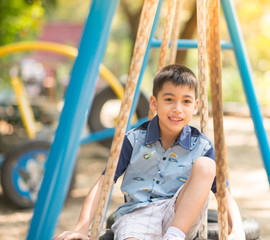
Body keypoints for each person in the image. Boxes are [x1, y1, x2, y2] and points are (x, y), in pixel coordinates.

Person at [55, 64, 246, 240]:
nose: (177, 109)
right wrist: (81, 227)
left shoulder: (201, 145)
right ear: (154, 103)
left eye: (186, 101)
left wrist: (237, 228)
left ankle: (173, 236)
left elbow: (223, 194)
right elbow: (103, 183)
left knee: (206, 165)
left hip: (179, 215)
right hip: (137, 213)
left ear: (195, 106)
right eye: (169, 100)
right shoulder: (134, 139)